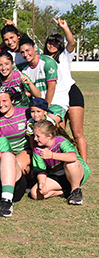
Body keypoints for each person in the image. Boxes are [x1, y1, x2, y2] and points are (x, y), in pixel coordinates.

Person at [44, 18, 86, 161]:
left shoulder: (64, 55)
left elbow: (72, 42)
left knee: (77, 133)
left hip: (71, 94)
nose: (52, 44)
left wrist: (65, 28)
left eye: (56, 42)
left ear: (60, 44)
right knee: (59, 132)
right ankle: (64, 161)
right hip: (56, 97)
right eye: (50, 41)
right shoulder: (43, 59)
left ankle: (83, 165)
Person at [30, 120, 90, 206]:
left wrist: (51, 155)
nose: (35, 139)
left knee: (70, 164)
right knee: (35, 193)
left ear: (49, 136)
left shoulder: (61, 141)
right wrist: (42, 183)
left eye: (38, 136)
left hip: (76, 171)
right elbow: (41, 171)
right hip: (57, 175)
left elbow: (73, 157)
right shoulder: (37, 150)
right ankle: (66, 191)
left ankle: (76, 191)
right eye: (34, 135)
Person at [0, 87, 31, 174]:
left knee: (14, 168)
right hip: (4, 153)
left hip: (24, 150)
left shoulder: (24, 112)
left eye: (5, 101)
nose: (1, 105)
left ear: (12, 101)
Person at [18, 37, 63, 122]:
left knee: (47, 127)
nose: (25, 54)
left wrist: (45, 109)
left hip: (56, 101)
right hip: (40, 106)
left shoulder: (47, 62)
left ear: (35, 48)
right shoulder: (25, 70)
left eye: (28, 50)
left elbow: (51, 88)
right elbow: (37, 95)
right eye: (22, 52)